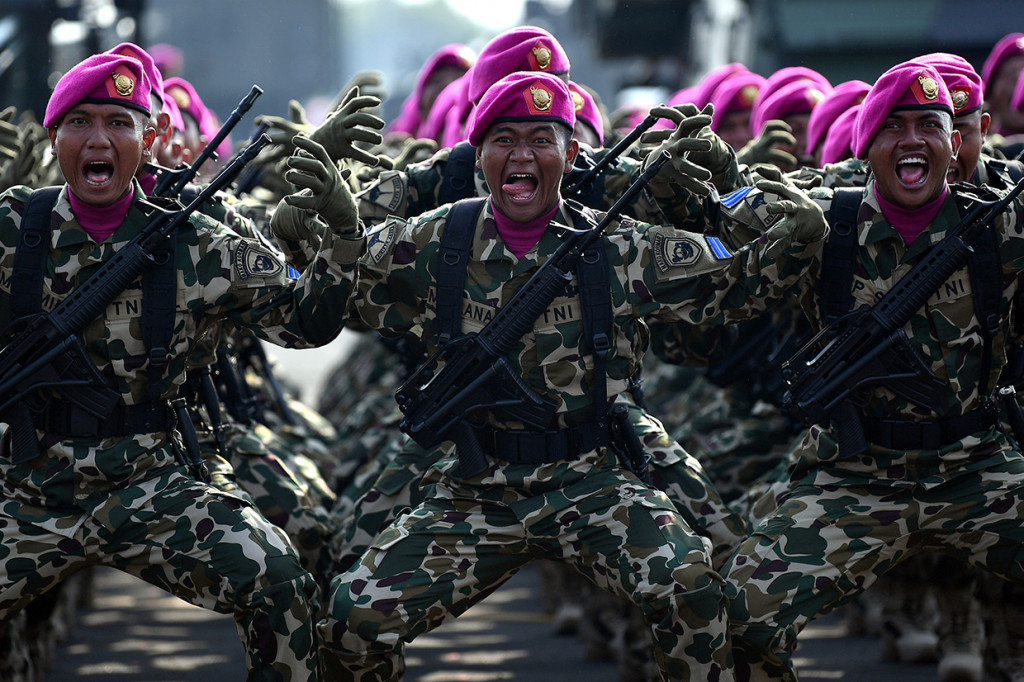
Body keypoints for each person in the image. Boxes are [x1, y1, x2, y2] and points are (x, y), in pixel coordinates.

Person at [308, 70, 829, 681]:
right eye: (503, 138)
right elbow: (320, 301)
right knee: (352, 620)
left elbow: (739, 278)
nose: (522, 154)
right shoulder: (433, 239)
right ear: (478, 155)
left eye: (541, 139)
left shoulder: (621, 247)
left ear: (572, 153)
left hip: (594, 477)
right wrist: (335, 225)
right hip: (478, 484)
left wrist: (732, 188)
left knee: (693, 592)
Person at [0, 52, 356, 681]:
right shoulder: (12, 228)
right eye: (80, 122)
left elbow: (304, 323)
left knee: (280, 585)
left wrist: (339, 236)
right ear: (55, 138)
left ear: (151, 139)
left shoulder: (195, 240)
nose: (99, 139)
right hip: (31, 489)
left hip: (155, 481)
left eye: (119, 122)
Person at [720, 59, 1024, 682]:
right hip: (854, 470)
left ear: (956, 140)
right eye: (893, 126)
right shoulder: (822, 221)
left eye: (929, 125)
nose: (912, 139)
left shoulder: (1002, 222)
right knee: (732, 615)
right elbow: (719, 237)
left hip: (978, 463)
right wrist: (731, 179)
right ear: (866, 144)